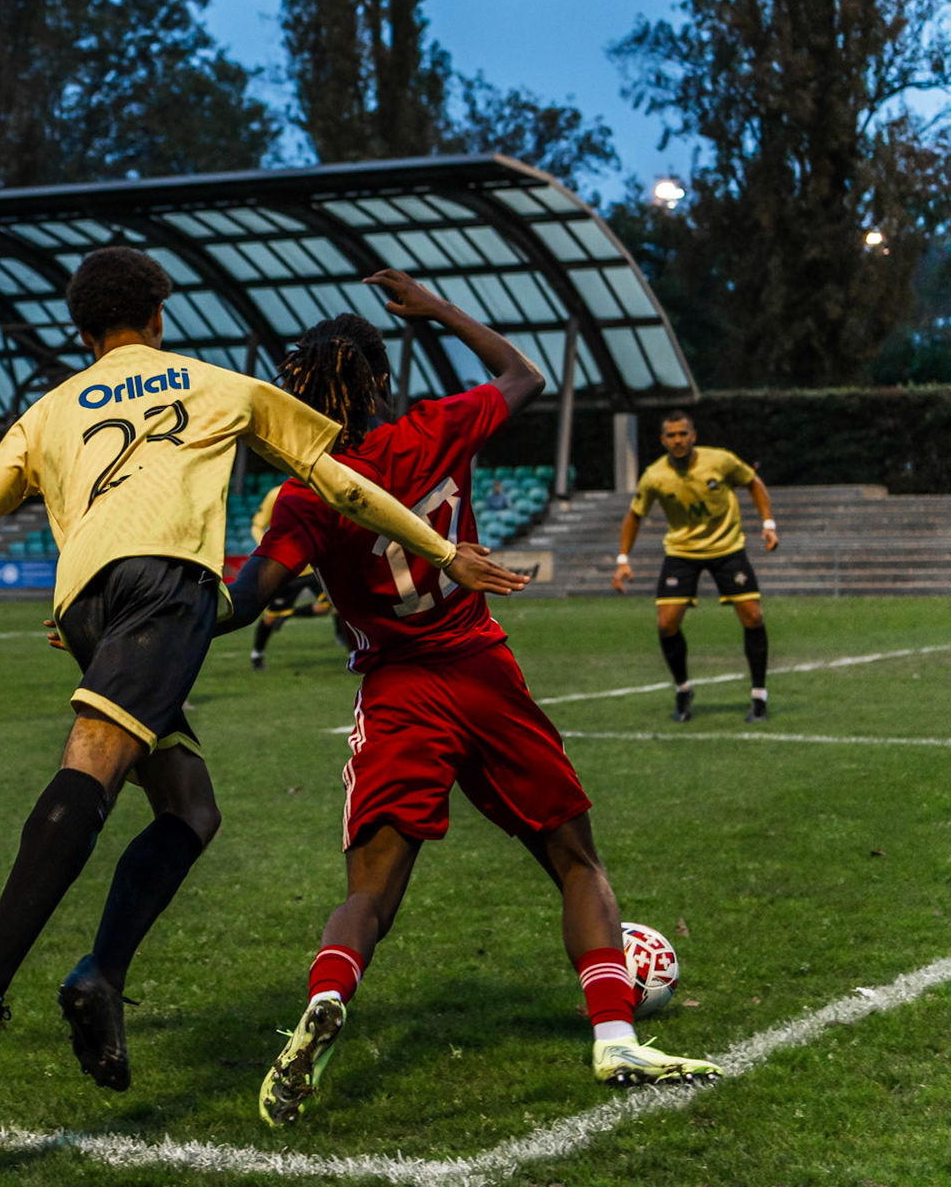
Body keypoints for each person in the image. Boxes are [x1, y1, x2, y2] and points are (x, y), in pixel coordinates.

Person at [0, 247, 528, 1110]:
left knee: (190, 809)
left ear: (83, 332)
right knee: (93, 765)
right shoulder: (218, 385)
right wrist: (445, 552)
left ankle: (99, 977)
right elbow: (342, 486)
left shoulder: (45, 413)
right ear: (158, 316)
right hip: (165, 589)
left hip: (84, 606)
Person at [218, 271, 719, 1125]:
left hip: (399, 691)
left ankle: (330, 995)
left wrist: (143, 620)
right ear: (380, 381)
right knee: (576, 861)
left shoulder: (308, 494)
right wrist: (438, 309)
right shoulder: (435, 427)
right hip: (483, 672)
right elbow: (526, 376)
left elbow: (247, 597)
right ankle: (614, 1035)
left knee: (370, 892)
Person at [613, 411, 777, 723]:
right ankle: (683, 689)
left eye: (683, 434)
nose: (678, 440)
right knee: (666, 624)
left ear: (693, 436)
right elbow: (634, 515)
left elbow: (753, 483)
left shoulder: (720, 461)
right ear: (663, 440)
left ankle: (759, 696)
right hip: (682, 552)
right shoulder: (654, 476)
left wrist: (768, 524)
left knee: (753, 616)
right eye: (671, 435)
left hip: (727, 548)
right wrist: (623, 560)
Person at [246, 481, 340, 671]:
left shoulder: (319, 490)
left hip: (313, 567)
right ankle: (257, 654)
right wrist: (268, 549)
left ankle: (354, 653)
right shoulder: (277, 493)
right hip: (287, 568)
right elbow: (257, 525)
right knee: (270, 617)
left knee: (332, 606)